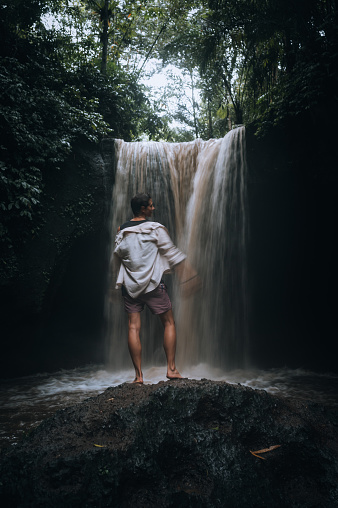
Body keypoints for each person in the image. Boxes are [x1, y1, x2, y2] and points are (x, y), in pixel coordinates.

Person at [113, 192, 200, 384]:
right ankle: (171, 369)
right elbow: (171, 253)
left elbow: (117, 257)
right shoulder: (156, 229)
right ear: (143, 209)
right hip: (153, 285)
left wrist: (114, 285)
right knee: (169, 323)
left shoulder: (122, 231)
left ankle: (138, 376)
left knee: (133, 327)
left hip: (129, 287)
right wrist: (189, 272)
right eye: (151, 206)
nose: (153, 208)